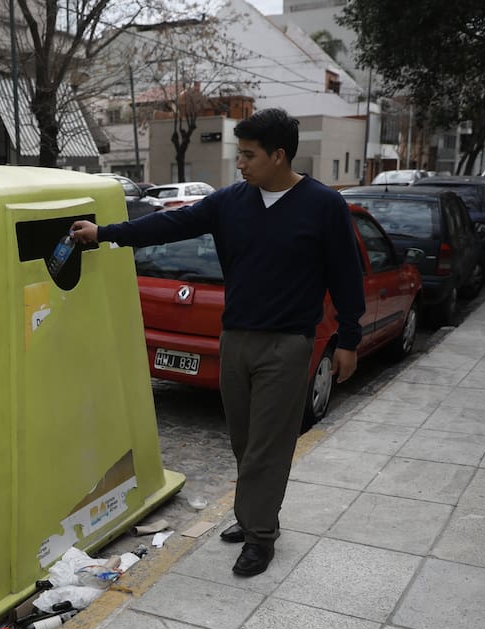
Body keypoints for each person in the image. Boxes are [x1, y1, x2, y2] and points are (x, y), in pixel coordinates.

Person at [69, 108, 365, 577]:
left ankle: (260, 535)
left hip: (287, 345)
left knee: (269, 445)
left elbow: (347, 276)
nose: (240, 164)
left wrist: (349, 338)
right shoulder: (231, 202)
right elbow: (169, 226)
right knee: (245, 441)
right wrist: (104, 235)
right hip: (235, 339)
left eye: (248, 155)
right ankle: (254, 515)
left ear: (279, 155)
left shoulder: (323, 205)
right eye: (239, 154)